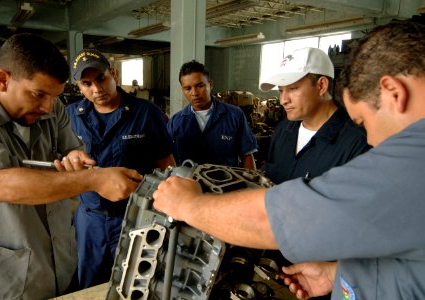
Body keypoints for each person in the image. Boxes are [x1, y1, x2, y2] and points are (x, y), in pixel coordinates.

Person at [153, 18, 425, 300]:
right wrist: (336, 275)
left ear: (394, 93)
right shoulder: (284, 131)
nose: (371, 138)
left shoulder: (405, 160)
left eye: (366, 120)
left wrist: (189, 205)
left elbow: (276, 219)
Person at [0, 33, 142, 299]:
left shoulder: (52, 107)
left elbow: (73, 147)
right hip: (3, 277)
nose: (47, 107)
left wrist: (76, 157)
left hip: (59, 264)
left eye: (54, 96)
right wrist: (94, 179)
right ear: (3, 80)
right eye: (38, 94)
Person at [67, 48, 175, 289]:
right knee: (90, 283)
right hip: (90, 221)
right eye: (86, 83)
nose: (96, 89)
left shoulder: (146, 113)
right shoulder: (71, 116)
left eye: (101, 79)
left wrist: (172, 209)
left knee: (136, 282)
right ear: (79, 86)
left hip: (136, 217)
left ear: (113, 73)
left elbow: (166, 163)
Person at [260, 47, 370, 184]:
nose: (283, 100)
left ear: (321, 86)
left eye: (293, 89)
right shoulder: (283, 130)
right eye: (281, 91)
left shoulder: (356, 143)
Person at [167, 60, 258, 169]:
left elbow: (247, 155)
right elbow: (166, 158)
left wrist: (251, 185)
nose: (194, 93)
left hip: (226, 184)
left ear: (210, 84)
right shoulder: (175, 122)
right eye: (188, 88)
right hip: (189, 184)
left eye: (199, 86)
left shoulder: (234, 115)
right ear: (182, 89)